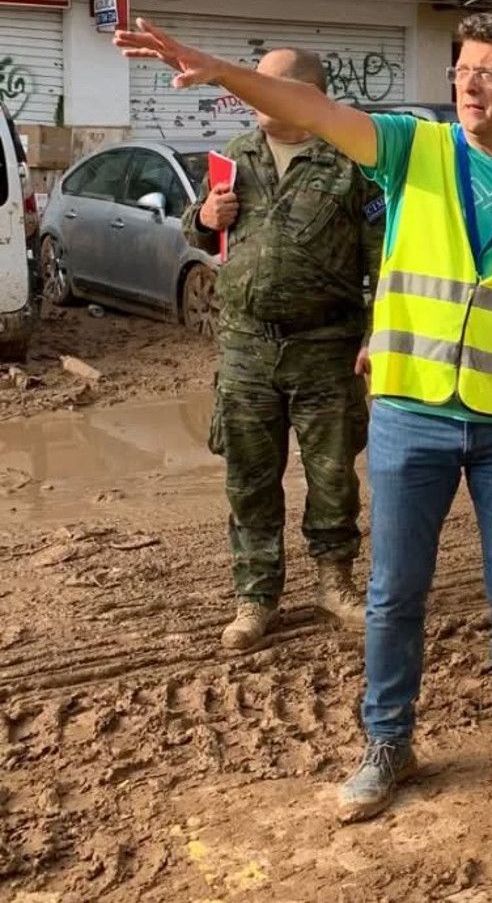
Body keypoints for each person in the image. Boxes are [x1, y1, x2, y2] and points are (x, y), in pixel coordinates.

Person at [116, 12, 492, 826]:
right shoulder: (409, 149)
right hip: (411, 414)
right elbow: (311, 109)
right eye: (462, 69)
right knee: (393, 593)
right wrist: (216, 67)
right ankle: (388, 743)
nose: (470, 84)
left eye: (490, 72)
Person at [182, 47, 382, 653]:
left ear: (308, 94)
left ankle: (334, 582)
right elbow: (196, 228)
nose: (251, 93)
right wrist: (203, 215)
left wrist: (379, 332)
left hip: (326, 346)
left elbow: (383, 255)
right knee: (249, 478)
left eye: (265, 85)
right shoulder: (234, 157)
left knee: (331, 474)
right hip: (244, 345)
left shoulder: (351, 162)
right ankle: (256, 596)